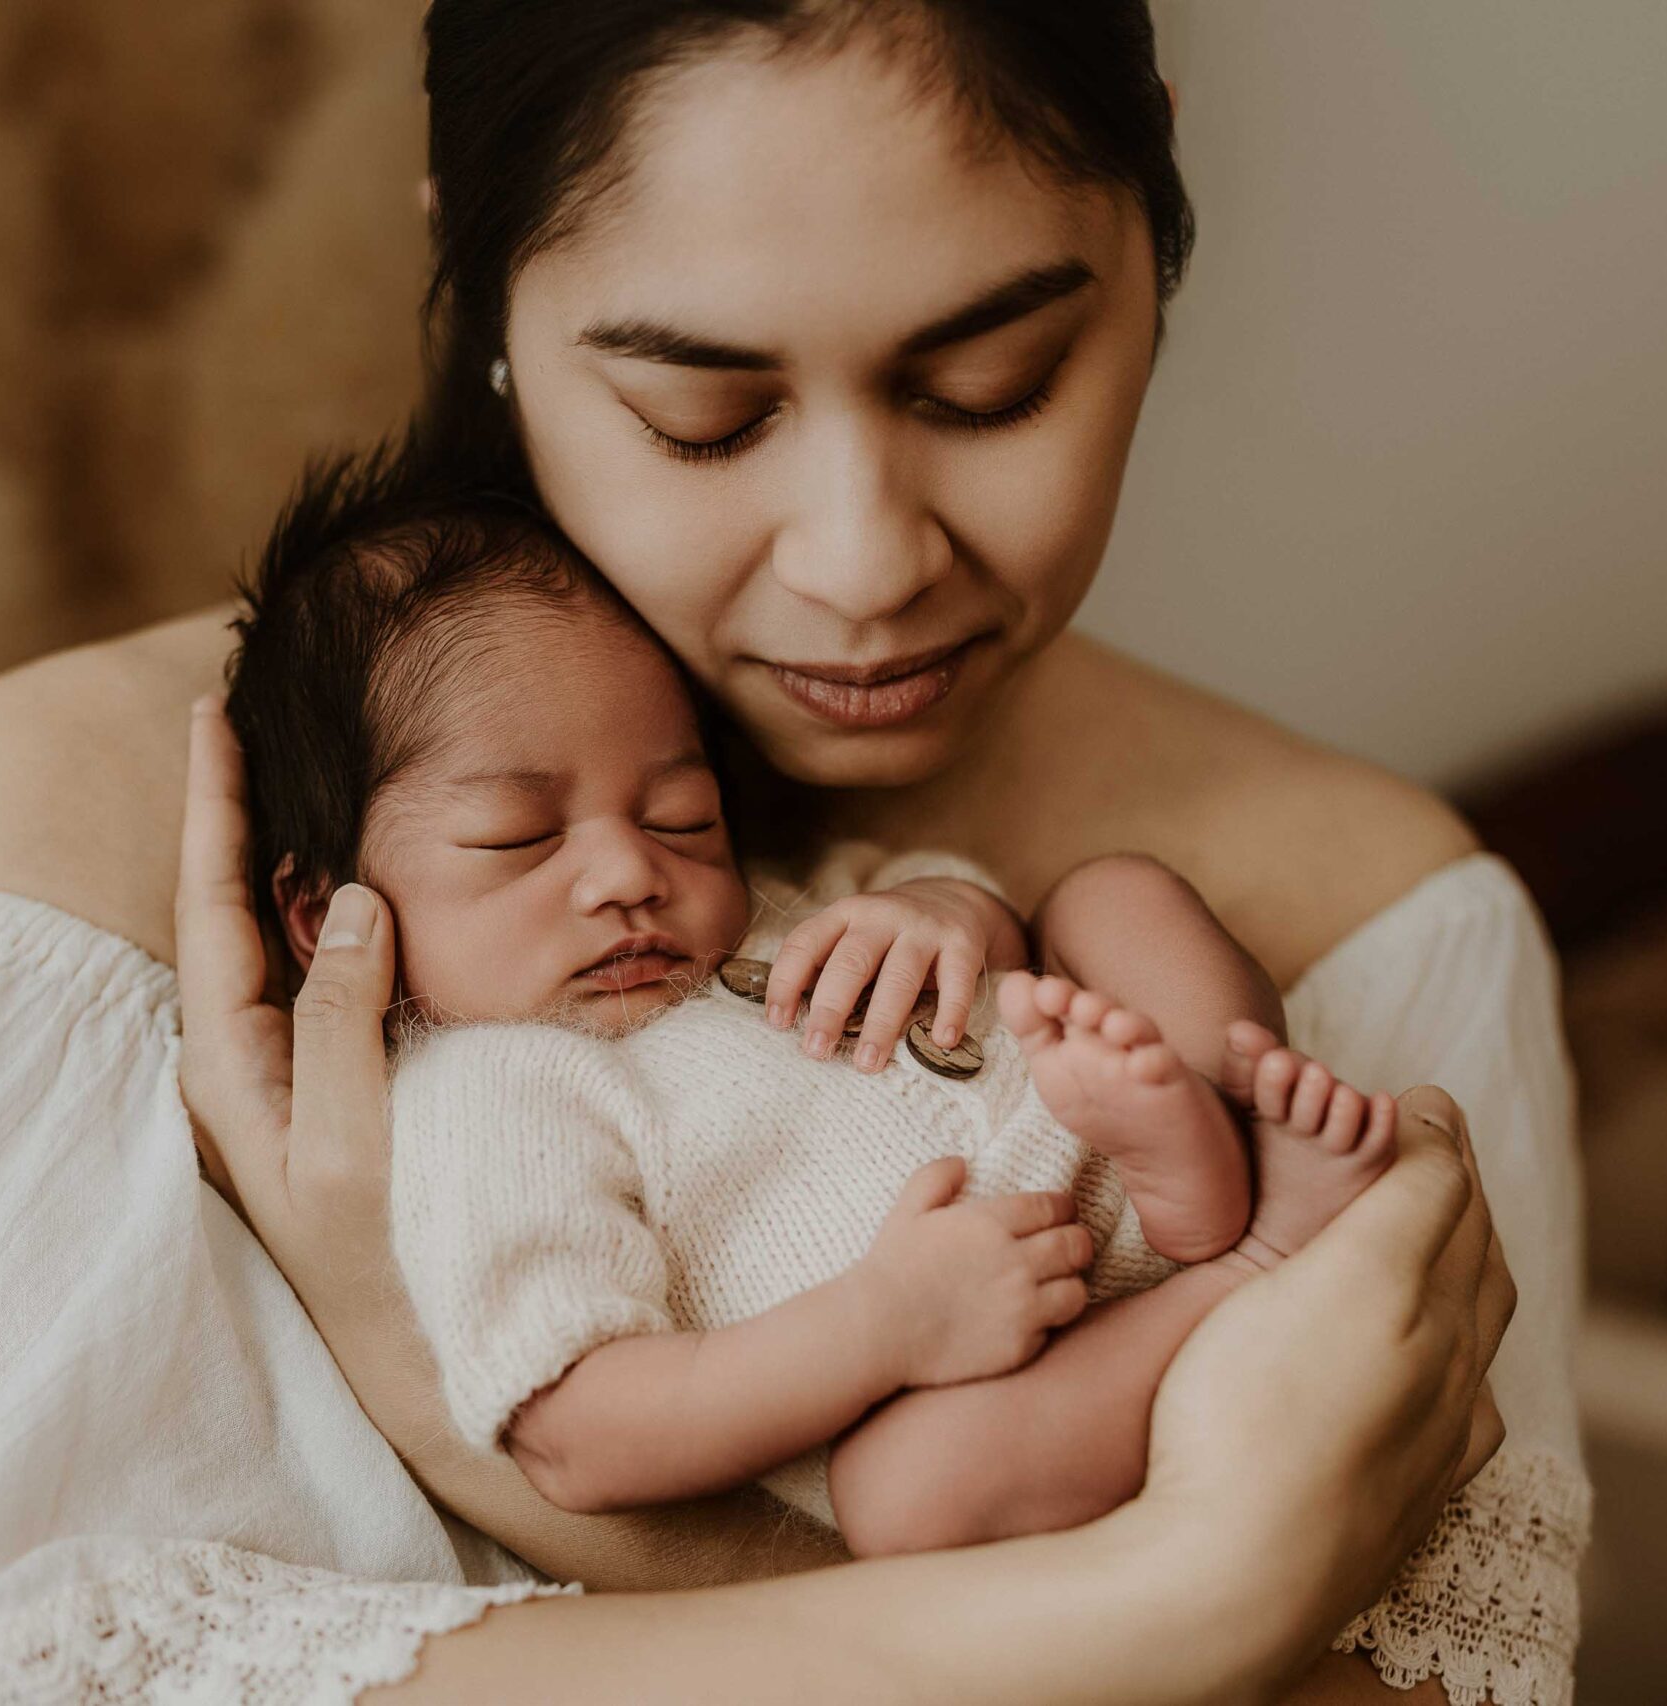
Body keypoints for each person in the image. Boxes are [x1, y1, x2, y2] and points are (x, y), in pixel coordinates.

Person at [0, 3, 1581, 1702]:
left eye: (989, 383)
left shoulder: (1370, 912)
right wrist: (1177, 1599)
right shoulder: (83, 828)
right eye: (699, 415)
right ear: (477, 286)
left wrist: (453, 1416)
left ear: (1156, 244)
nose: (862, 557)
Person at [228, 445, 1413, 1557]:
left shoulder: (773, 912)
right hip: (997, 1373)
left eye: (680, 813)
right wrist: (886, 1321)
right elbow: (580, 1430)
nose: (630, 871)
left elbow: (989, 931)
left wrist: (949, 913)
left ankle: (1231, 1135)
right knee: (910, 1493)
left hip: (1116, 1131)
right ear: (322, 912)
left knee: (1116, 895)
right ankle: (1251, 1258)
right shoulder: (489, 1091)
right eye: (519, 837)